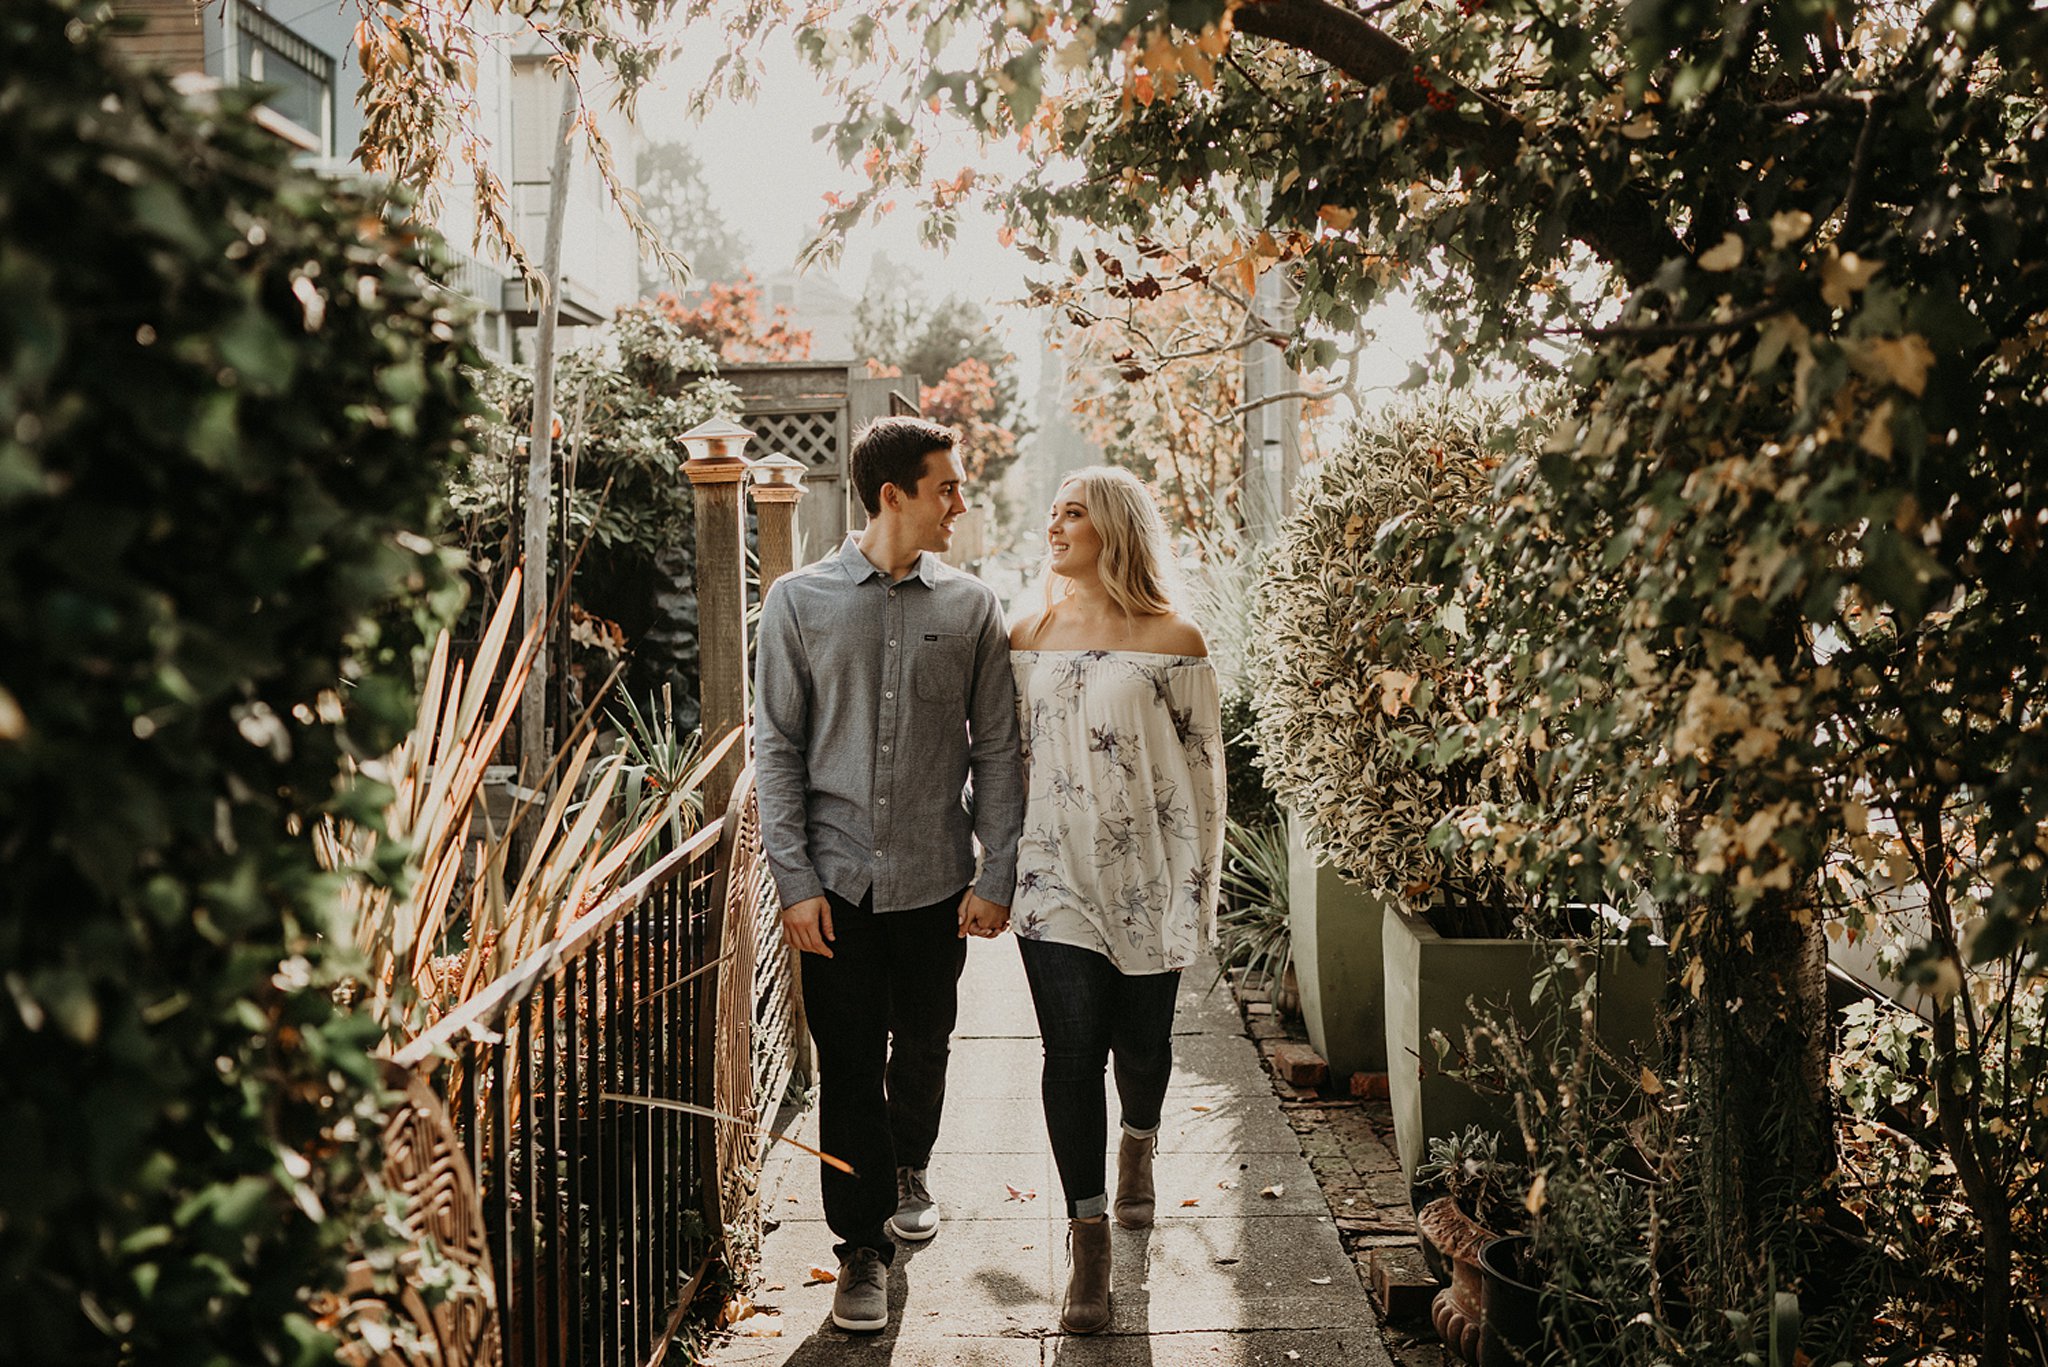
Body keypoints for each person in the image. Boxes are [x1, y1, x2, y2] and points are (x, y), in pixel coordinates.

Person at [752, 416, 1023, 1334]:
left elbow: (1000, 749)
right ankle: (860, 1245)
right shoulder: (797, 602)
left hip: (937, 877)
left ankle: (911, 1160)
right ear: (891, 494)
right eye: (946, 486)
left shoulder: (973, 607)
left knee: (929, 1040)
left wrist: (999, 870)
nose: (959, 503)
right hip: (833, 885)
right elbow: (776, 750)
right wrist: (792, 880)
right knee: (849, 1058)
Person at [1007, 466, 1226, 1334]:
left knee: (1141, 1046)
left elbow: (1206, 778)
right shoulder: (1025, 631)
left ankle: (1139, 1139)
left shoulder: (1177, 638)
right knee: (1069, 1054)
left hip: (1149, 878)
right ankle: (1087, 1240)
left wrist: (1198, 891)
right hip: (1051, 876)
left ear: (1115, 529)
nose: (1054, 524)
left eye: (1073, 512)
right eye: (1052, 509)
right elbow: (1002, 757)